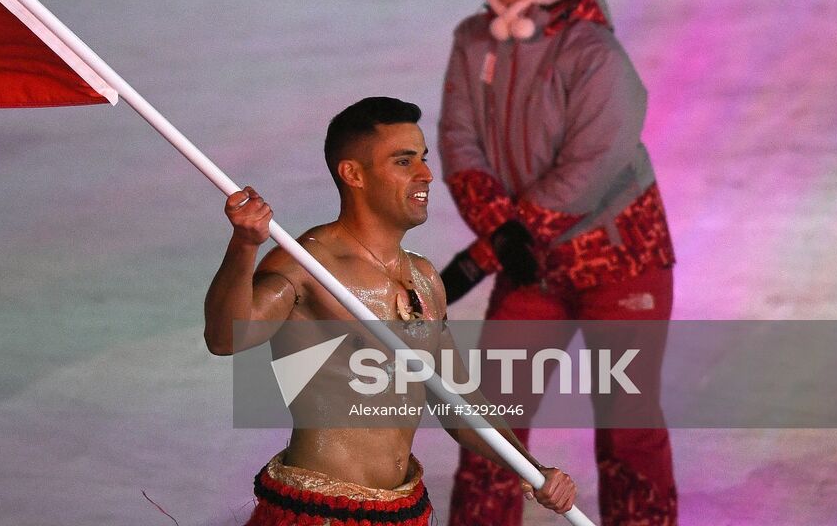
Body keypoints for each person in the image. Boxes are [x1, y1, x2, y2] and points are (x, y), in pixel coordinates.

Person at [204, 96, 576, 525]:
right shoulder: (307, 265)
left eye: (422, 158)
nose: (425, 174)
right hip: (319, 515)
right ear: (354, 174)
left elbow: (456, 401)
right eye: (404, 162)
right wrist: (245, 245)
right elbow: (226, 338)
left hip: (403, 511)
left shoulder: (423, 276)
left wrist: (530, 469)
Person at [436, 0, 677, 525]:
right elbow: (460, 146)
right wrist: (500, 235)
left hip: (620, 262)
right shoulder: (471, 41)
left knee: (627, 428)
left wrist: (485, 252)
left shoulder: (595, 53)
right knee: (490, 426)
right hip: (530, 265)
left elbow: (590, 170)